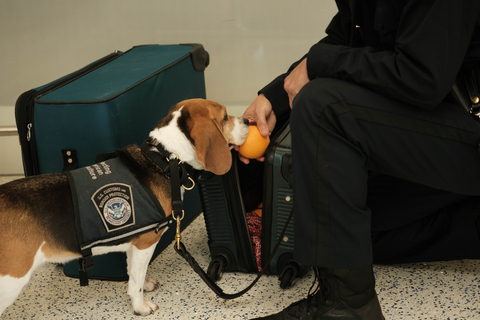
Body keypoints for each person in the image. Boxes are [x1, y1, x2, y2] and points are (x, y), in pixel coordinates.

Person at [238, 0, 480, 319]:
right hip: (451, 123)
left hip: (468, 122)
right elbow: (350, 39)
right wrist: (274, 95)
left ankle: (347, 307)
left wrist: (321, 64)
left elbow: (423, 76)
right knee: (348, 232)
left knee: (324, 108)